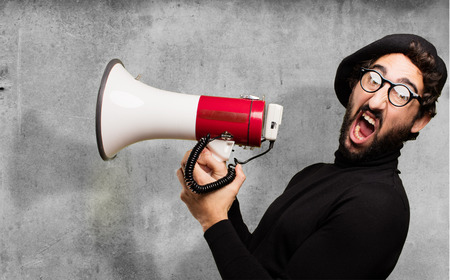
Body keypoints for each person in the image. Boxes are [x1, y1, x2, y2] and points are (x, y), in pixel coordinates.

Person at [176, 34, 447, 279]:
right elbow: (257, 265)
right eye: (374, 79)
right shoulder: (315, 173)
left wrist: (212, 220)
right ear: (355, 85)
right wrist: (221, 199)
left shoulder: (378, 207)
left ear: (420, 120)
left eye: (401, 93)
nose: (376, 102)